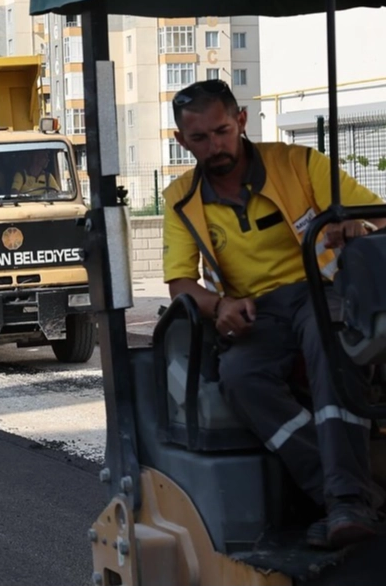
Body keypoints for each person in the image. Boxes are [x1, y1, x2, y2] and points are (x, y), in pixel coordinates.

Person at [162, 78, 386, 550]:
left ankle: (347, 500)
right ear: (182, 141)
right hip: (255, 313)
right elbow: (181, 283)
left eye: (222, 131)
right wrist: (220, 306)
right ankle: (341, 494)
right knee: (240, 377)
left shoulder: (299, 163)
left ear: (241, 120)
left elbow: (376, 215)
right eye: (199, 138)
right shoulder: (180, 200)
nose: (214, 146)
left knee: (328, 343)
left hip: (319, 291)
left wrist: (354, 223)